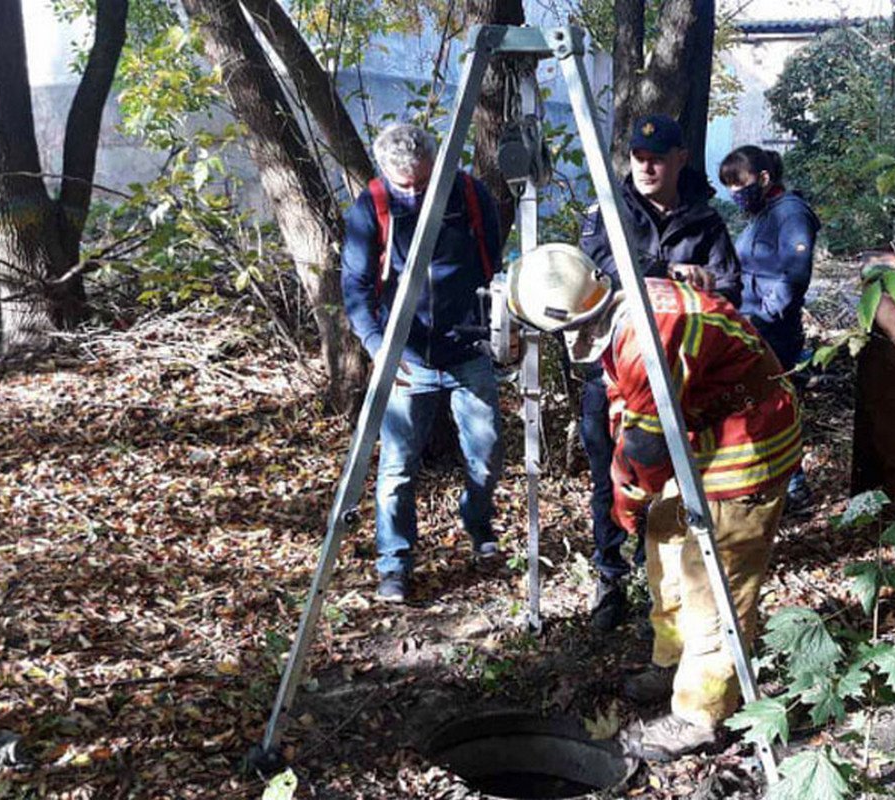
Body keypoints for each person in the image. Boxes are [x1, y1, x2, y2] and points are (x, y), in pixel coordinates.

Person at [507, 245, 801, 762]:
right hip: (696, 438)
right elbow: (632, 415)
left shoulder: (647, 333)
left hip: (745, 447)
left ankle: (700, 715)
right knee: (664, 547)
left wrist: (627, 497)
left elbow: (644, 446)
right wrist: (634, 493)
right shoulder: (616, 317)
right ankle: (670, 661)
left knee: (714, 586)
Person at [577, 114, 743, 631]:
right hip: (615, 371)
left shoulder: (706, 220)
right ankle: (610, 578)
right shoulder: (608, 210)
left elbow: (732, 289)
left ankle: (667, 594)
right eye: (638, 157)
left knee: (677, 481)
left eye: (657, 158)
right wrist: (670, 272)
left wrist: (706, 278)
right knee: (613, 475)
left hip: (683, 378)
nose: (646, 167)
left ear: (679, 159)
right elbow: (598, 272)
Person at [341, 123, 504, 603]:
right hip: (406, 355)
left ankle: (477, 518)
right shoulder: (370, 207)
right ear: (385, 172)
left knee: (489, 453)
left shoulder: (470, 195)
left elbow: (492, 263)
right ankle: (395, 562)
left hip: (466, 350)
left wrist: (496, 329)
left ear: (437, 165)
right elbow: (355, 285)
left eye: (421, 182)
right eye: (403, 185)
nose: (412, 193)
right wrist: (377, 345)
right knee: (397, 466)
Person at [719, 145, 819, 511]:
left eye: (738, 182)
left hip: (773, 332)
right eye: (727, 185)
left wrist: (763, 317)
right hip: (750, 328)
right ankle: (777, 488)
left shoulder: (790, 212)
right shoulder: (762, 215)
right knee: (755, 410)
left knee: (772, 410)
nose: (733, 191)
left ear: (763, 178)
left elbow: (794, 275)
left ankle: (794, 491)